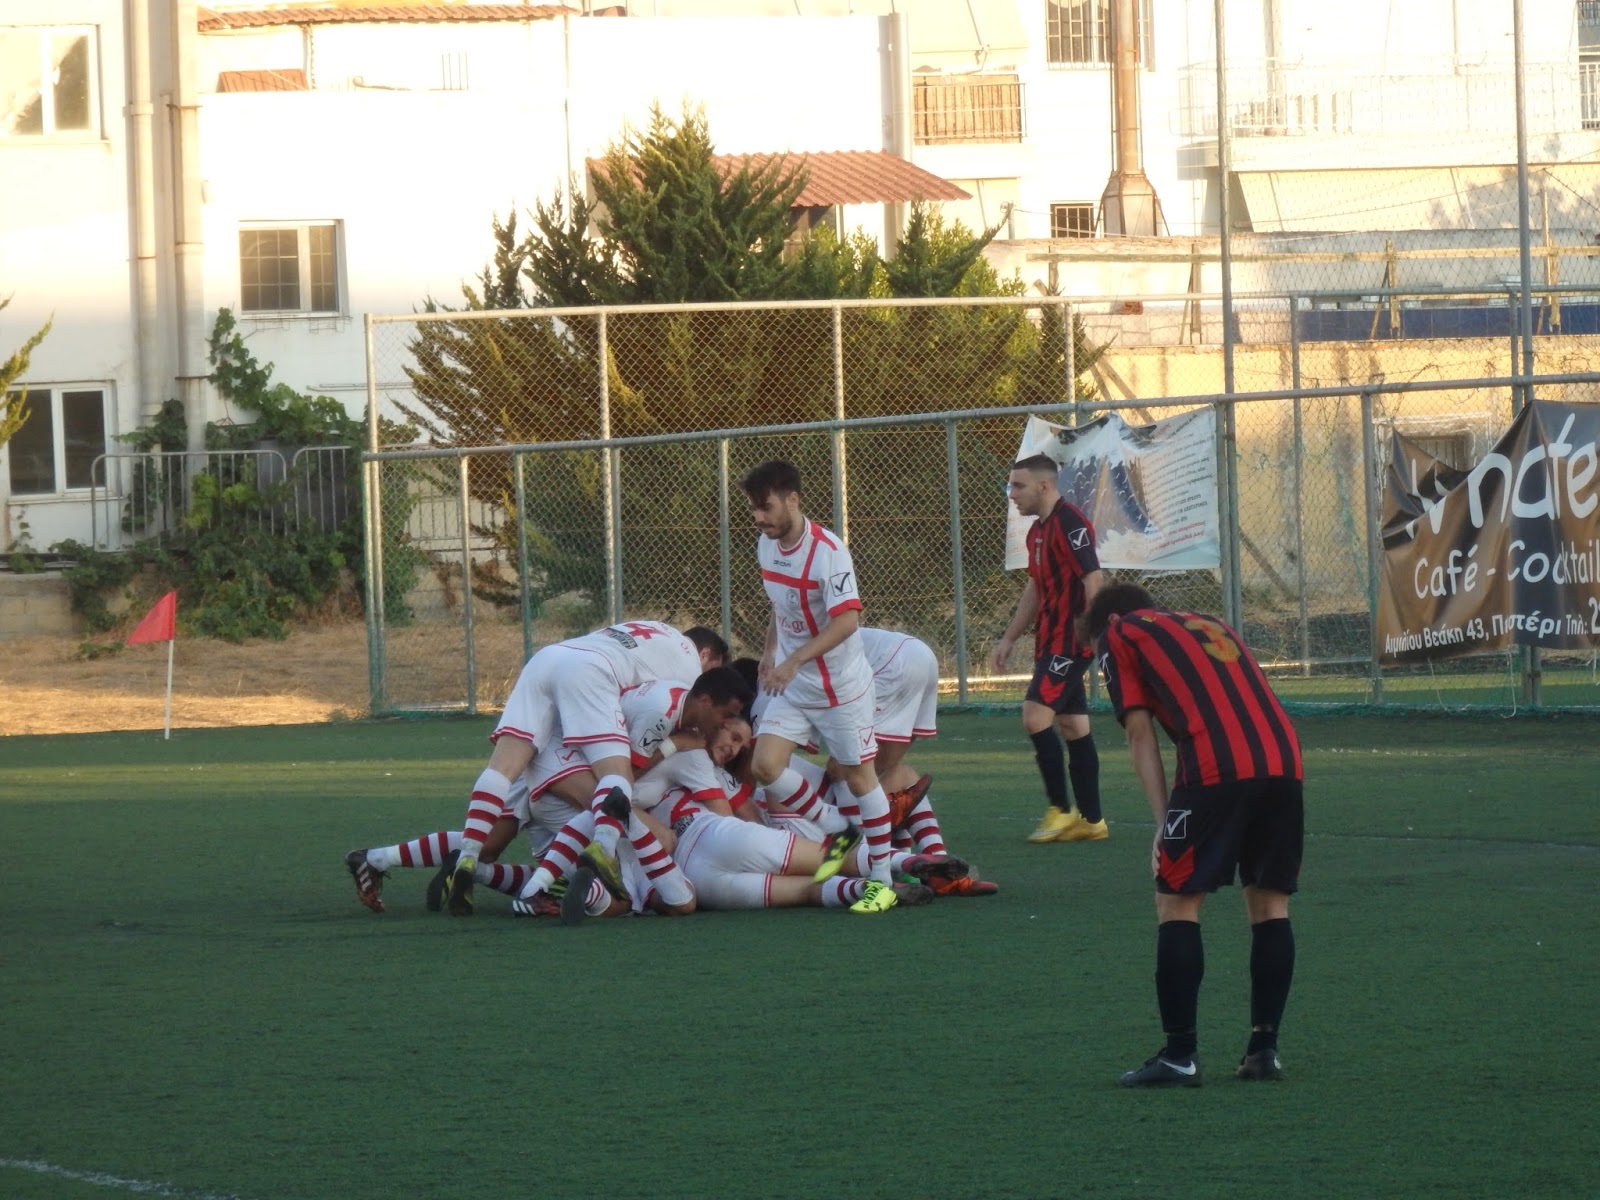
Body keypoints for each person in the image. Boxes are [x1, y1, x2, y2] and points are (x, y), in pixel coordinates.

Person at [1081, 582, 1303, 1088]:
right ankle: (1263, 1051)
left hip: (1218, 766)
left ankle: (1180, 1056)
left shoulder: (1120, 633)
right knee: (1270, 904)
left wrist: (1163, 824)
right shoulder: (1209, 622)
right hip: (1284, 760)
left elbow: (1140, 735)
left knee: (1177, 901)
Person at [439, 620, 725, 916]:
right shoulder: (689, 676)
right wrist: (673, 744)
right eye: (714, 671)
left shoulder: (655, 627)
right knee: (616, 774)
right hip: (589, 675)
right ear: (704, 656)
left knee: (501, 768)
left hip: (547, 659)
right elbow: (646, 734)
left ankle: (467, 858)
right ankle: (603, 850)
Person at [738, 460, 897, 911]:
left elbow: (847, 620)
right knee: (765, 766)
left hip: (839, 689)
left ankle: (881, 881)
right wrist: (771, 652)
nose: (759, 518)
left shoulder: (828, 552)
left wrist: (791, 661)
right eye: (753, 509)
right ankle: (839, 829)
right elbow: (780, 606)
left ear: (792, 500)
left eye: (765, 507)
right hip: (794, 684)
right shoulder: (765, 546)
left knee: (859, 778)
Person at [990, 453, 1109, 844]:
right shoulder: (1036, 532)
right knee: (1073, 726)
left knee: (1034, 716)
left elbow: (1093, 577)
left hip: (1071, 643)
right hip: (1049, 641)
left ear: (1044, 486)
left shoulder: (1071, 523)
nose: (1011, 494)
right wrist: (1009, 637)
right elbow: (1036, 589)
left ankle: (1059, 810)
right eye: (1010, 485)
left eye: (1018, 485)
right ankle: (1092, 821)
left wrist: (1092, 632)